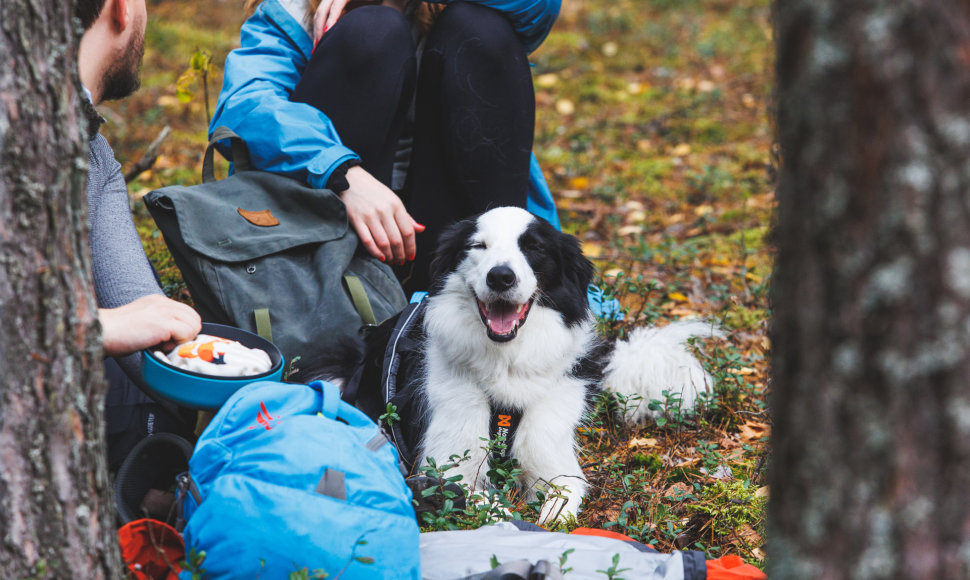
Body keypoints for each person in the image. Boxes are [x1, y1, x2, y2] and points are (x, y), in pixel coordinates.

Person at [211, 0, 561, 295]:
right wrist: (340, 172)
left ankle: (500, 280)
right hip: (333, 227)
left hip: (448, 239)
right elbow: (242, 109)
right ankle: (335, 293)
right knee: (372, 30)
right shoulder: (298, 7)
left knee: (481, 29)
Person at [76, 0, 202, 470]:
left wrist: (254, 401)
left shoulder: (93, 149)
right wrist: (96, 329)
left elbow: (139, 308)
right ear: (121, 9)